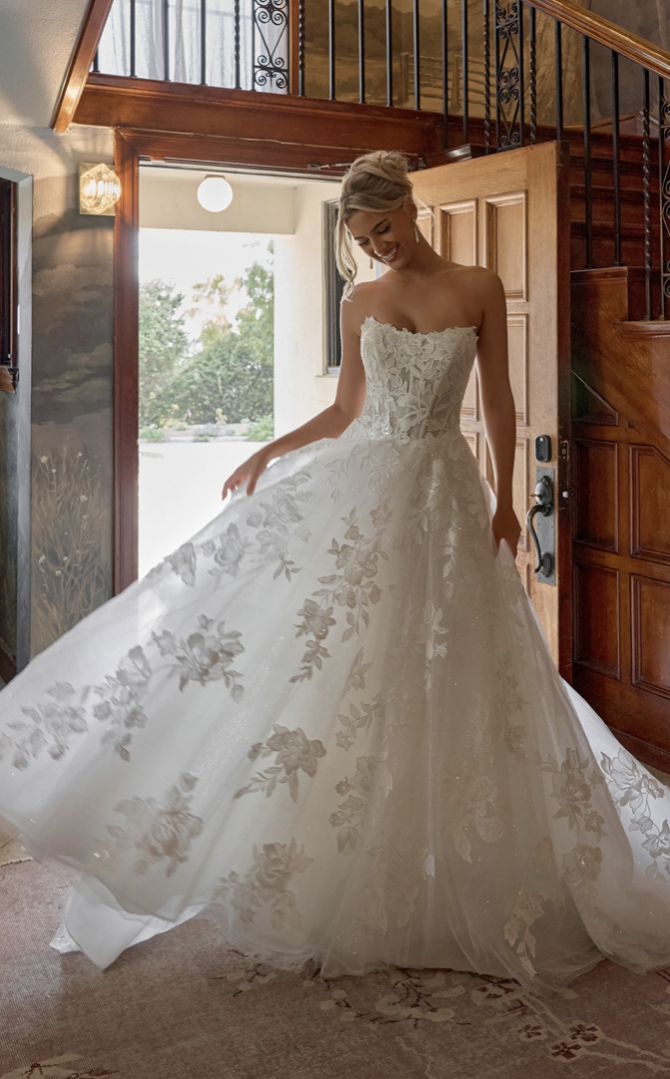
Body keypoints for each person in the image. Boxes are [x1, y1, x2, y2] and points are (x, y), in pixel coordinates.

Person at [1, 151, 670, 996]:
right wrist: (268, 449)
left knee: (460, 671)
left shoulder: (478, 284)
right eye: (360, 237)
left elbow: (498, 399)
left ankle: (466, 864)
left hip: (449, 495)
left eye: (383, 228)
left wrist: (504, 498)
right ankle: (346, 867)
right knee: (354, 669)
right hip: (370, 492)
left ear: (409, 207)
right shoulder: (359, 300)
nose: (376, 247)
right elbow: (348, 409)